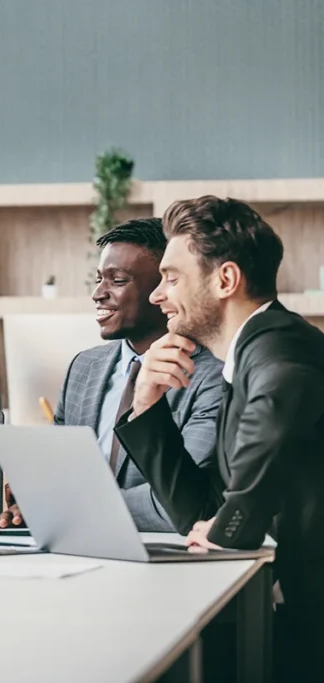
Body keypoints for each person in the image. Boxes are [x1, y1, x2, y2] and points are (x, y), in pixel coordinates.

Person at [113, 196, 324, 679]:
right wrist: (146, 404)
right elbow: (198, 515)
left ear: (225, 279)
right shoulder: (246, 358)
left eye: (171, 277)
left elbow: (276, 410)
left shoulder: (280, 347)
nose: (156, 295)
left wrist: (231, 530)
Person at [0, 219, 223, 531]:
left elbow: (179, 503)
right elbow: (60, 477)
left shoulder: (213, 377)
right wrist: (30, 505)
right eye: (99, 279)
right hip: (76, 546)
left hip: (163, 556)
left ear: (165, 287)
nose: (98, 293)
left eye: (118, 280)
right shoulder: (85, 368)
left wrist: (72, 507)